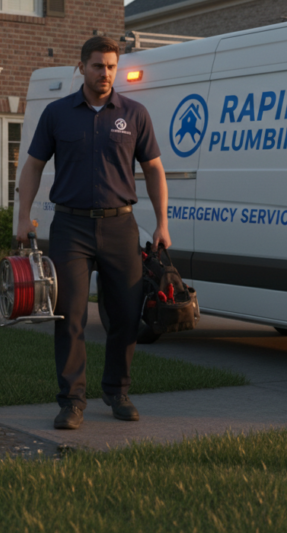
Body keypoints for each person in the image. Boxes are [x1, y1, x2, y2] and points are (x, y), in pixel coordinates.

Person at [15, 35, 170, 430]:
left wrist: (163, 223)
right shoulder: (57, 114)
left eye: (111, 67)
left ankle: (117, 391)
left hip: (121, 226)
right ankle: (72, 401)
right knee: (70, 315)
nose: (105, 73)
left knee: (126, 315)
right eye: (98, 65)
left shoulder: (134, 114)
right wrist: (23, 216)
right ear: (81, 67)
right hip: (72, 227)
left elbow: (154, 168)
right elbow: (33, 166)